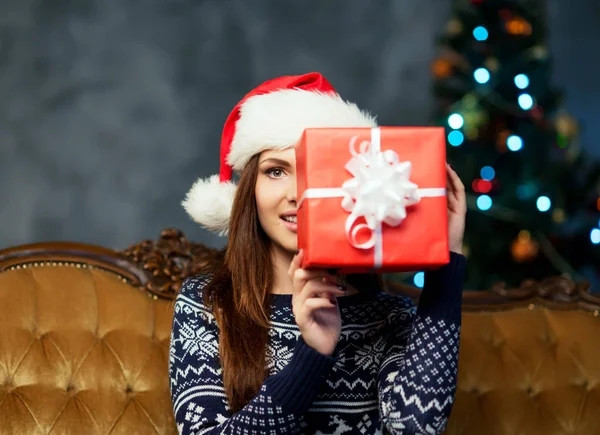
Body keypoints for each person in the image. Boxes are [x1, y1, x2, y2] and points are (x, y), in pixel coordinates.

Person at [169, 72, 466, 434]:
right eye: (276, 171)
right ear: (249, 190)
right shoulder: (207, 305)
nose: (297, 193)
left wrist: (446, 264)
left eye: (314, 172)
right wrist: (312, 355)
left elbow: (417, 428)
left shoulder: (389, 316)